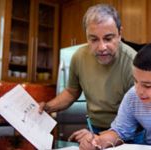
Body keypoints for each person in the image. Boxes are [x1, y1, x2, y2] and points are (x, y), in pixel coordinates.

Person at [39, 4, 137, 143]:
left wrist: (102, 138)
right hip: (95, 128)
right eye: (94, 39)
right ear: (86, 37)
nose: (102, 47)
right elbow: (71, 92)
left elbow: (136, 114)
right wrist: (48, 107)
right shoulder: (78, 57)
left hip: (128, 133)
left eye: (108, 38)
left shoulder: (133, 63)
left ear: (120, 34)